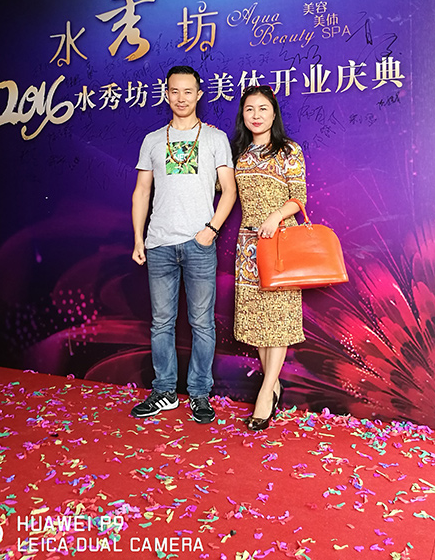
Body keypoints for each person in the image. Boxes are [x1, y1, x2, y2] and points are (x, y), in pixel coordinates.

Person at [131, 65, 237, 423]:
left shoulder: (215, 139)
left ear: (199, 94)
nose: (181, 98)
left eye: (188, 91)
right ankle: (164, 391)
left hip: (199, 244)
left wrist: (211, 229)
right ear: (166, 94)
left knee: (202, 323)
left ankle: (199, 394)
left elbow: (230, 190)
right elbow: (142, 192)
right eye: (174, 91)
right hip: (159, 243)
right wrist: (139, 238)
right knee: (161, 323)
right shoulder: (151, 140)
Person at [231, 85, 307, 431]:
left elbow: (299, 197)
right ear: (243, 116)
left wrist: (276, 215)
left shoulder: (288, 150)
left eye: (263, 108)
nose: (256, 115)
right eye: (250, 109)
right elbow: (220, 187)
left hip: (280, 241)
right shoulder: (239, 152)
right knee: (259, 321)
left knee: (278, 318)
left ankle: (265, 394)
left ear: (274, 113)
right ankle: (273, 385)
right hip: (248, 244)